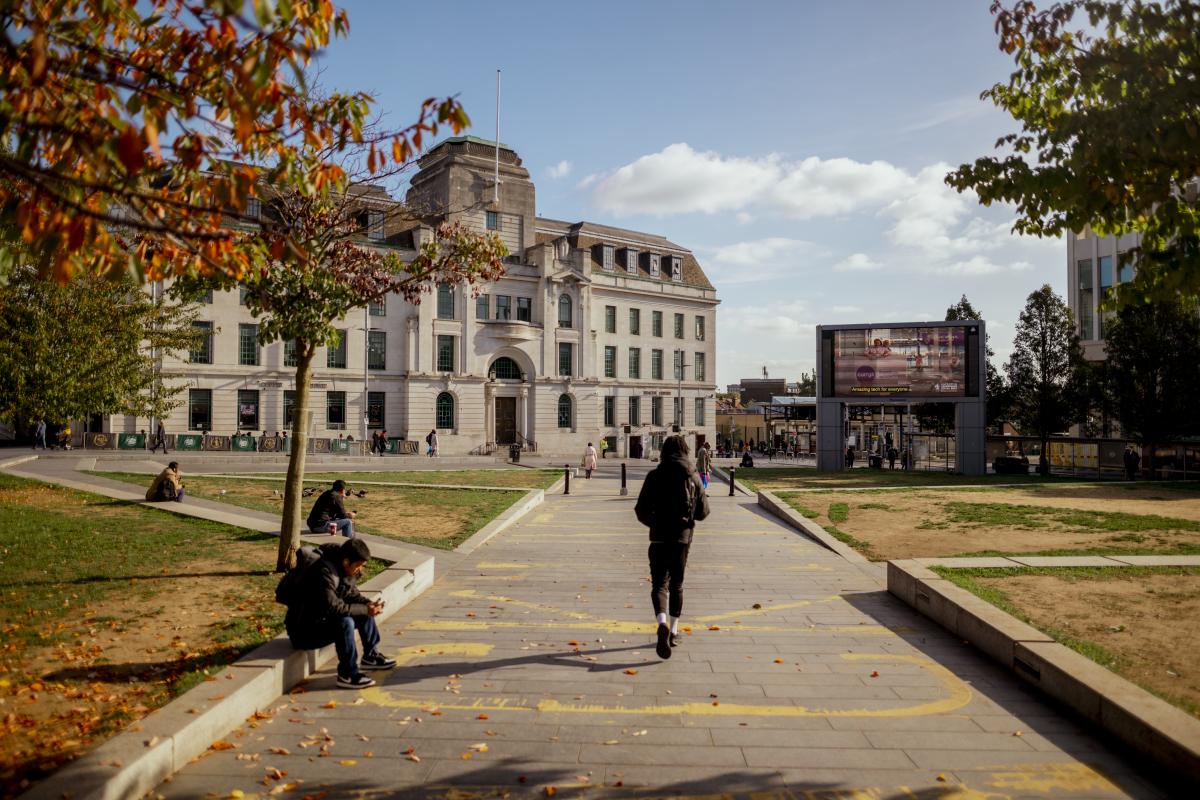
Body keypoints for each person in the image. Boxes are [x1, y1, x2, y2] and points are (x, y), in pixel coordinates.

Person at [285, 538, 397, 689]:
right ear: (346, 561)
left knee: (362, 613)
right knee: (345, 623)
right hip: (304, 631)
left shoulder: (343, 569)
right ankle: (347, 674)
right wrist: (365, 609)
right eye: (358, 566)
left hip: (322, 620)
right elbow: (332, 608)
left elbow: (352, 595)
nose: (360, 570)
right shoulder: (323, 573)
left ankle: (371, 656)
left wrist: (368, 604)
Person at [635, 435, 709, 661]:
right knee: (677, 584)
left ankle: (661, 623)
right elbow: (703, 512)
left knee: (659, 584)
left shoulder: (654, 476)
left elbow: (640, 510)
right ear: (685, 451)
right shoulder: (692, 476)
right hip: (682, 540)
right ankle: (674, 631)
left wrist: (655, 524)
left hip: (658, 538)